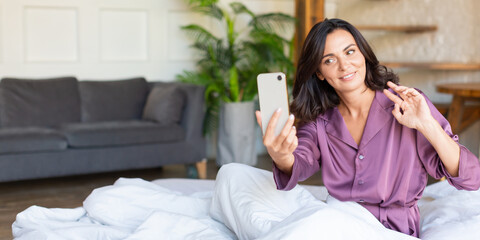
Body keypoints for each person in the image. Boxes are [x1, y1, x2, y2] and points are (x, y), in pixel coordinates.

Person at [212, 18, 480, 238]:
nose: (344, 65)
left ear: (362, 53)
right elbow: (299, 163)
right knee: (231, 175)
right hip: (335, 218)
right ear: (319, 72)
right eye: (329, 60)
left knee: (318, 221)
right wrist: (280, 154)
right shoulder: (320, 121)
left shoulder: (407, 105)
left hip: (385, 230)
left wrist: (428, 125)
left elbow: (472, 178)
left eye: (350, 52)